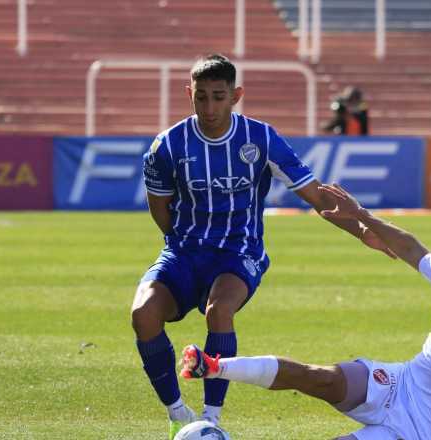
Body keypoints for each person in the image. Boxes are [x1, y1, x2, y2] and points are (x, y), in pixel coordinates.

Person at [180, 184, 431, 440]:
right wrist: (362, 216)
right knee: (318, 377)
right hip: (400, 384)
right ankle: (214, 366)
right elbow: (411, 247)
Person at [134, 54, 395, 439]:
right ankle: (178, 414)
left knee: (219, 311)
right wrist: (182, 244)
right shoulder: (168, 146)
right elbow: (159, 207)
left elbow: (316, 195)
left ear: (236, 96)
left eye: (219, 97)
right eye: (201, 97)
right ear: (189, 94)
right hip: (184, 252)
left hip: (239, 253)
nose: (209, 107)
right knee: (143, 314)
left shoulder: (260, 139)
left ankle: (212, 419)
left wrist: (362, 230)